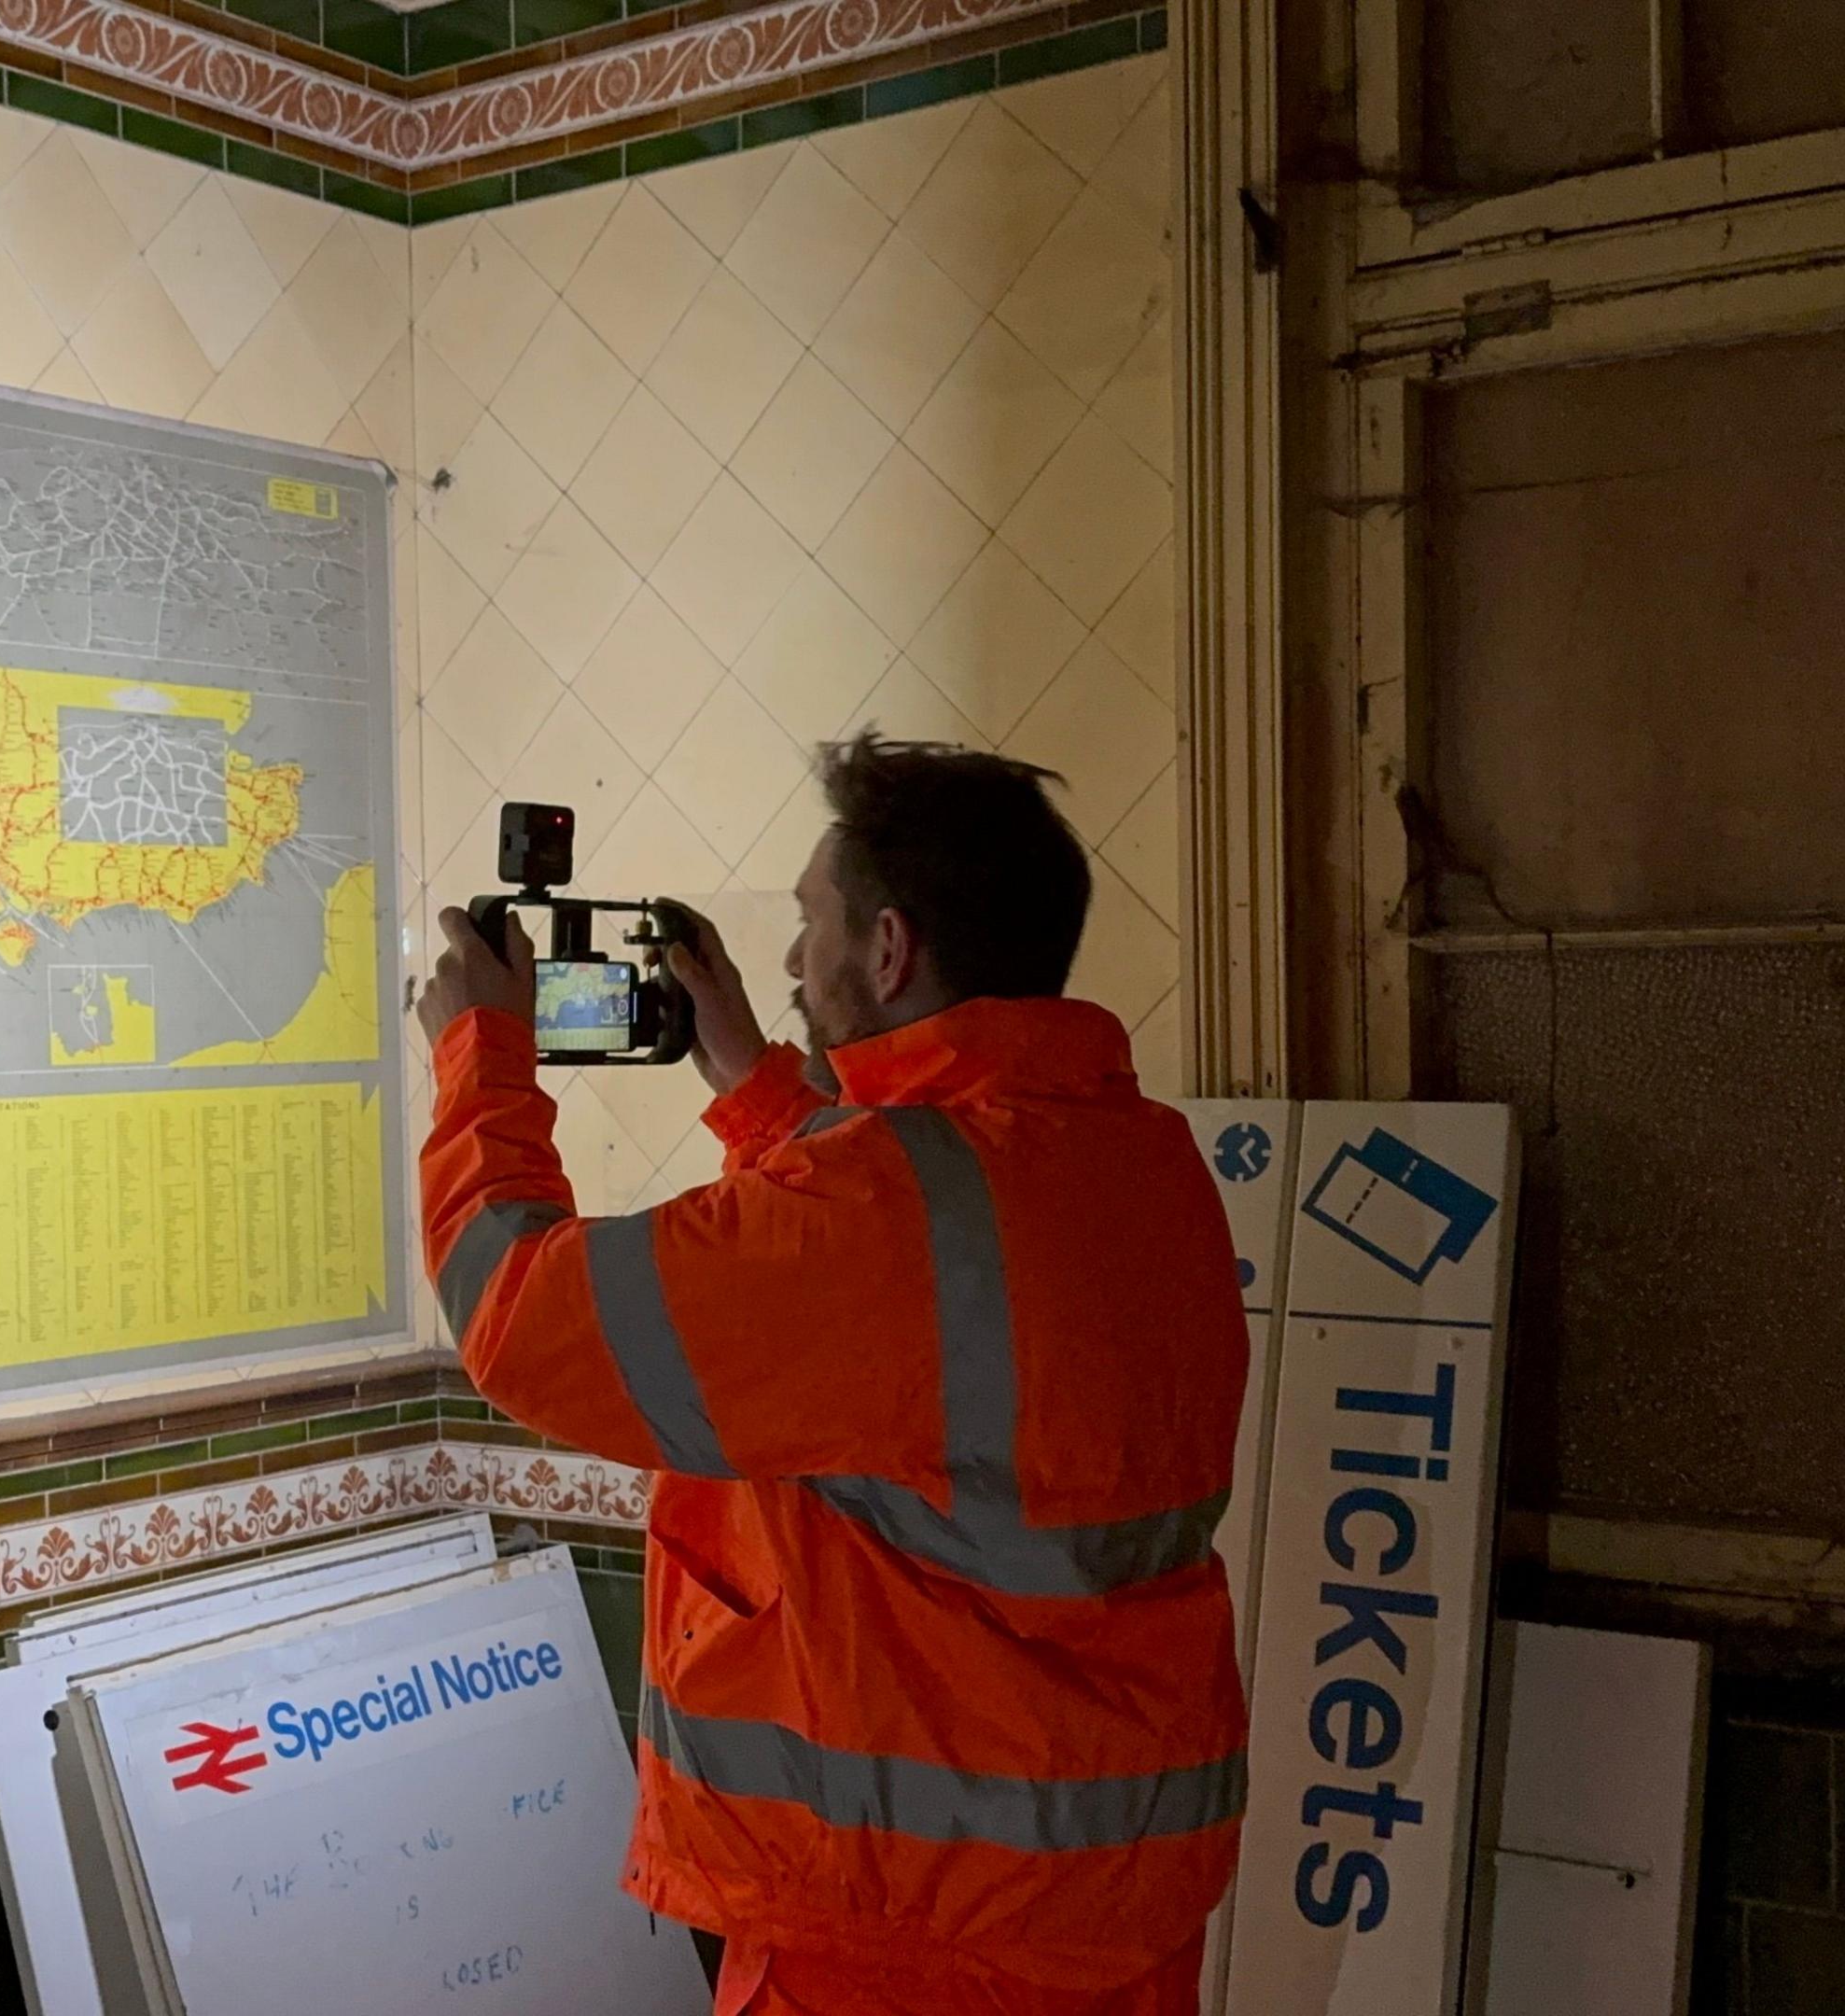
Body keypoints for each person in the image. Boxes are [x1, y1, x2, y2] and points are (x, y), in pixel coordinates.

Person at [412, 735, 1251, 2016]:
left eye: (814, 927)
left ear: (892, 950)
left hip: (901, 1946)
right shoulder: (1140, 1165)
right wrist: (756, 1086)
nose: (797, 965)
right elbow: (927, 1302)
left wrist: (482, 1059)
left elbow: (527, 1320)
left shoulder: (882, 1211)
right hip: (1108, 1916)